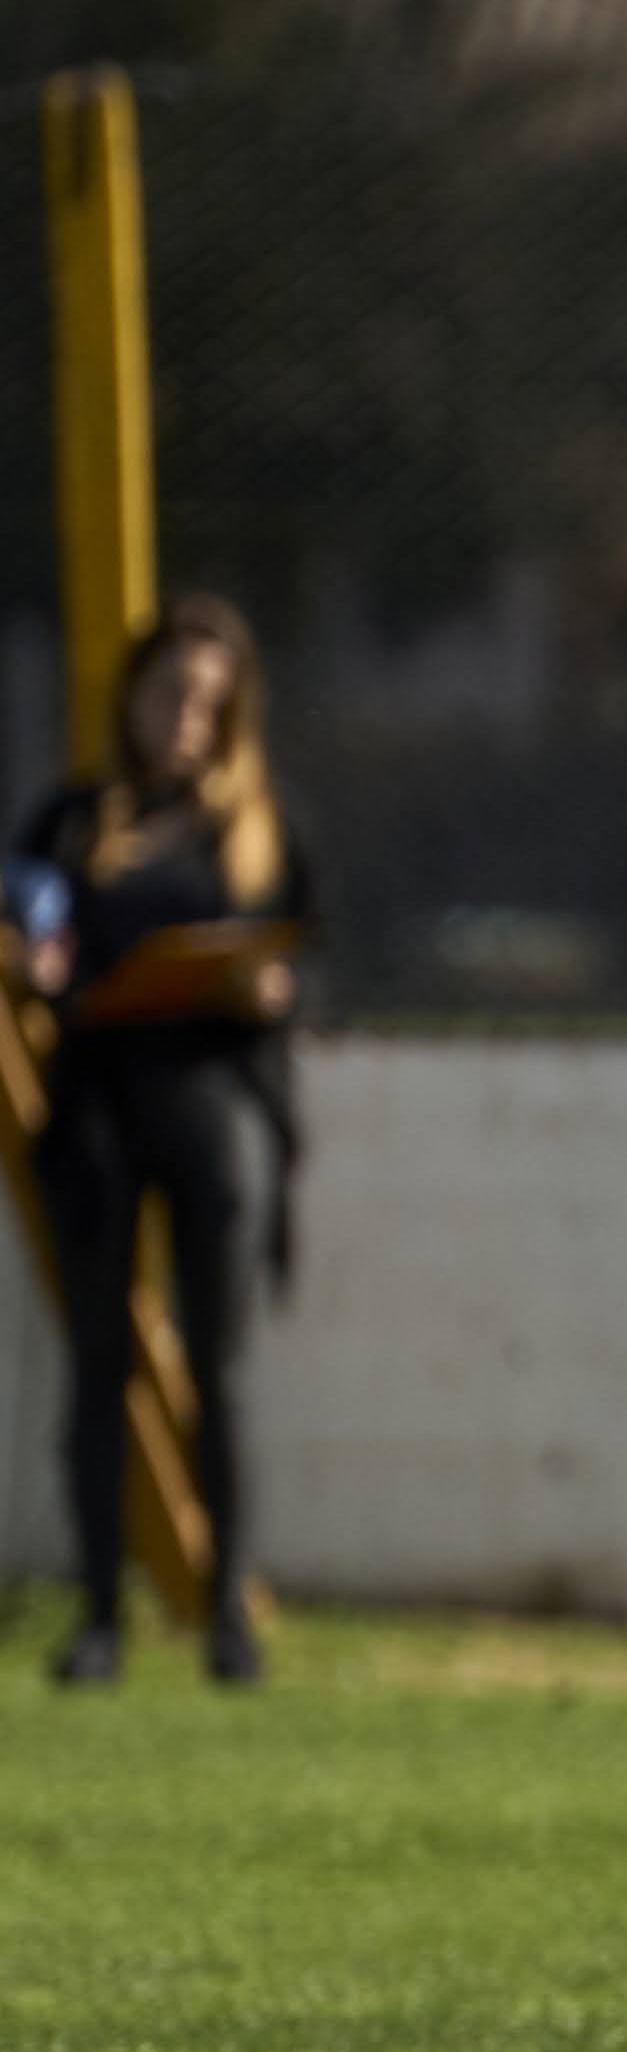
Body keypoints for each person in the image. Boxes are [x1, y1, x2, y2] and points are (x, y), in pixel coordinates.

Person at [16, 597, 315, 1689]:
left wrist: (271, 986)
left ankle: (227, 1615)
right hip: (98, 1107)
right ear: (132, 697)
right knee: (99, 1365)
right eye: (168, 694)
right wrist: (35, 966)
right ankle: (100, 1618)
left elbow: (300, 951)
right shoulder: (71, 822)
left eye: (208, 702)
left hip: (216, 1107)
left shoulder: (256, 827)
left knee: (219, 1368)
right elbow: (30, 928)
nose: (185, 719)